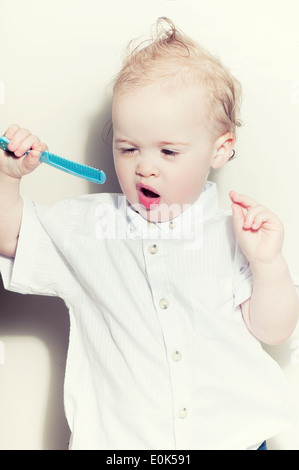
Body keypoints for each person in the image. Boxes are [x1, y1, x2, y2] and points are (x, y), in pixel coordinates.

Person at [0, 17, 298, 450]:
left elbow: (274, 330)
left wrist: (267, 263)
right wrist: (8, 178)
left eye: (169, 151)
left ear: (221, 149)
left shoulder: (235, 234)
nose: (145, 166)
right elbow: (12, 238)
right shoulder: (87, 228)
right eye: (127, 148)